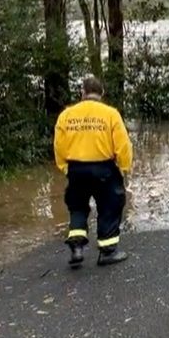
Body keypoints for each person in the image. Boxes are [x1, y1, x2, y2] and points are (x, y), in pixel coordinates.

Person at [54, 76, 133, 268]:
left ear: (82, 93)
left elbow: (59, 145)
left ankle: (77, 247)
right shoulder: (111, 114)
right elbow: (123, 145)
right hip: (104, 168)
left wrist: (65, 167)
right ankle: (107, 252)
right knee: (109, 207)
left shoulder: (66, 115)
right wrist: (124, 168)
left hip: (76, 168)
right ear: (102, 93)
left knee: (78, 206)